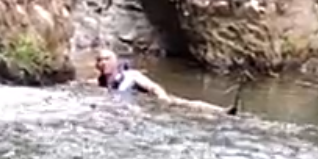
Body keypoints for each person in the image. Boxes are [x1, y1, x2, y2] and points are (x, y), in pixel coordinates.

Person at [96, 49, 238, 118]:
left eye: (106, 59)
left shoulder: (131, 75)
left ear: (115, 62)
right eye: (100, 60)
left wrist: (162, 97)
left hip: (152, 102)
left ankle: (221, 111)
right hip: (132, 108)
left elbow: (153, 86)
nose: (103, 63)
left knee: (186, 104)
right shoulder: (99, 85)